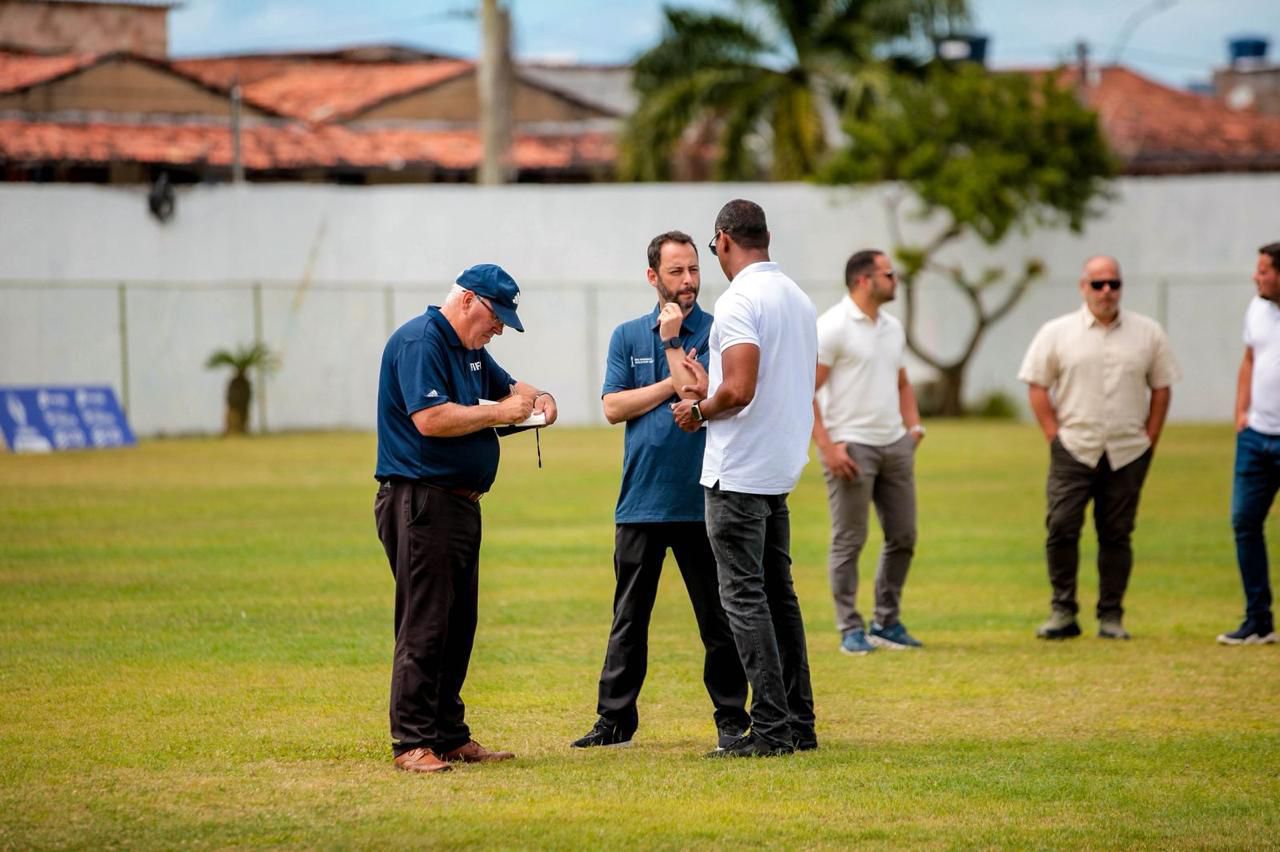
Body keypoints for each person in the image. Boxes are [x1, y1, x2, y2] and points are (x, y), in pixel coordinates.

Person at [373, 263, 558, 773]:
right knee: (425, 622)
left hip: (460, 503)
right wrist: (501, 413)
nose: (498, 329)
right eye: (496, 318)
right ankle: (411, 741)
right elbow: (430, 419)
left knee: (458, 624)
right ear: (469, 301)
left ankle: (448, 734)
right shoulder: (421, 343)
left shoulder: (472, 352)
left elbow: (513, 389)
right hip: (421, 501)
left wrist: (540, 399)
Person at [571, 231, 751, 751]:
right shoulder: (628, 336)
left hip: (703, 498)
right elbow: (612, 408)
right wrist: (669, 384)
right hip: (641, 502)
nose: (688, 281)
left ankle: (731, 717)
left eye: (694, 269)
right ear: (653, 276)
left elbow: (701, 394)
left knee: (718, 621)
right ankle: (614, 720)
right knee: (629, 619)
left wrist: (673, 353)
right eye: (676, 271)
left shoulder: (721, 331)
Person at [672, 199, 818, 758]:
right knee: (780, 597)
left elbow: (740, 389)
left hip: (737, 473)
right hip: (779, 468)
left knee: (744, 600)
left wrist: (698, 411)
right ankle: (799, 724)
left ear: (724, 241)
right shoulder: (798, 298)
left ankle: (772, 728)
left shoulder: (739, 300)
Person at [1018, 255, 1180, 641]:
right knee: (1060, 527)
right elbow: (1037, 384)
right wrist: (1052, 435)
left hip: (1127, 450)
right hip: (1073, 446)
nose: (1106, 291)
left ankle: (1111, 616)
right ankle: (1062, 610)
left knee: (1117, 533)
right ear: (1083, 286)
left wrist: (1150, 438)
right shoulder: (1057, 332)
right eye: (1098, 284)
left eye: (1114, 284)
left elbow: (1161, 387)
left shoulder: (1148, 332)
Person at [812, 249, 925, 656]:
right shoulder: (833, 327)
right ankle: (850, 629)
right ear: (864, 280)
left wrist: (914, 429)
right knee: (849, 541)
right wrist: (827, 446)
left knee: (904, 536)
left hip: (895, 444)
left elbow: (902, 382)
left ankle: (886, 621)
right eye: (889, 274)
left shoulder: (892, 328)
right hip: (851, 446)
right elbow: (806, 391)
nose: (895, 280)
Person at [1220, 242, 1280, 645]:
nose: (1255, 276)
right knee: (1244, 522)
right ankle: (1258, 621)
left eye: (1263, 270)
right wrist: (1241, 412)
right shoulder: (1257, 308)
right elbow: (1249, 358)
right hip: (1256, 437)